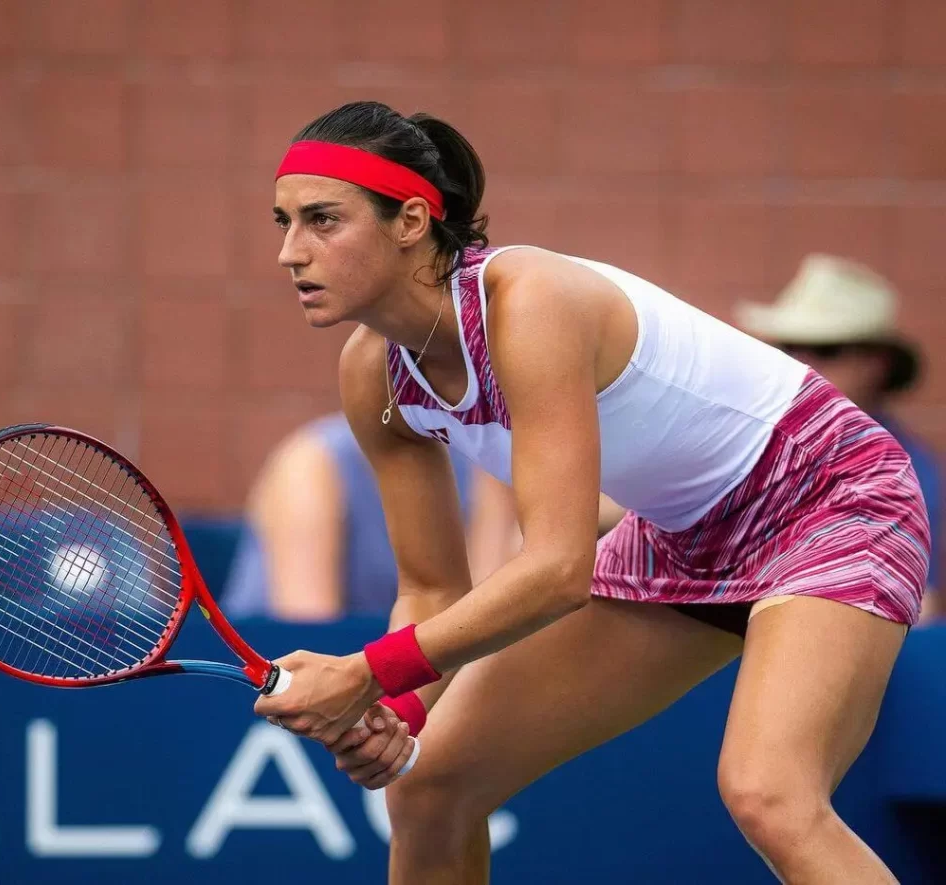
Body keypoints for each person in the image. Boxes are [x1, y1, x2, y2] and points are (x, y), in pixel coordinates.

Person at [253, 101, 929, 884]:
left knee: (771, 793)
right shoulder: (372, 372)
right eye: (284, 222)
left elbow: (557, 569)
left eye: (322, 220)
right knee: (432, 785)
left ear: (409, 220)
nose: (290, 253)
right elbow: (434, 586)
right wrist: (397, 709)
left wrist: (367, 672)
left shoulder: (530, 301)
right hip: (681, 532)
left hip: (830, 494)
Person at [735, 255, 941, 620]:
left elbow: (921, 613)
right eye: (788, 346)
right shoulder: (749, 445)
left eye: (828, 350)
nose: (802, 362)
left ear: (878, 365)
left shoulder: (907, 475)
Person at [222, 411, 519, 620]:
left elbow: (479, 625)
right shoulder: (312, 464)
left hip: (399, 682)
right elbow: (310, 638)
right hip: (275, 685)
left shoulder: (485, 468)